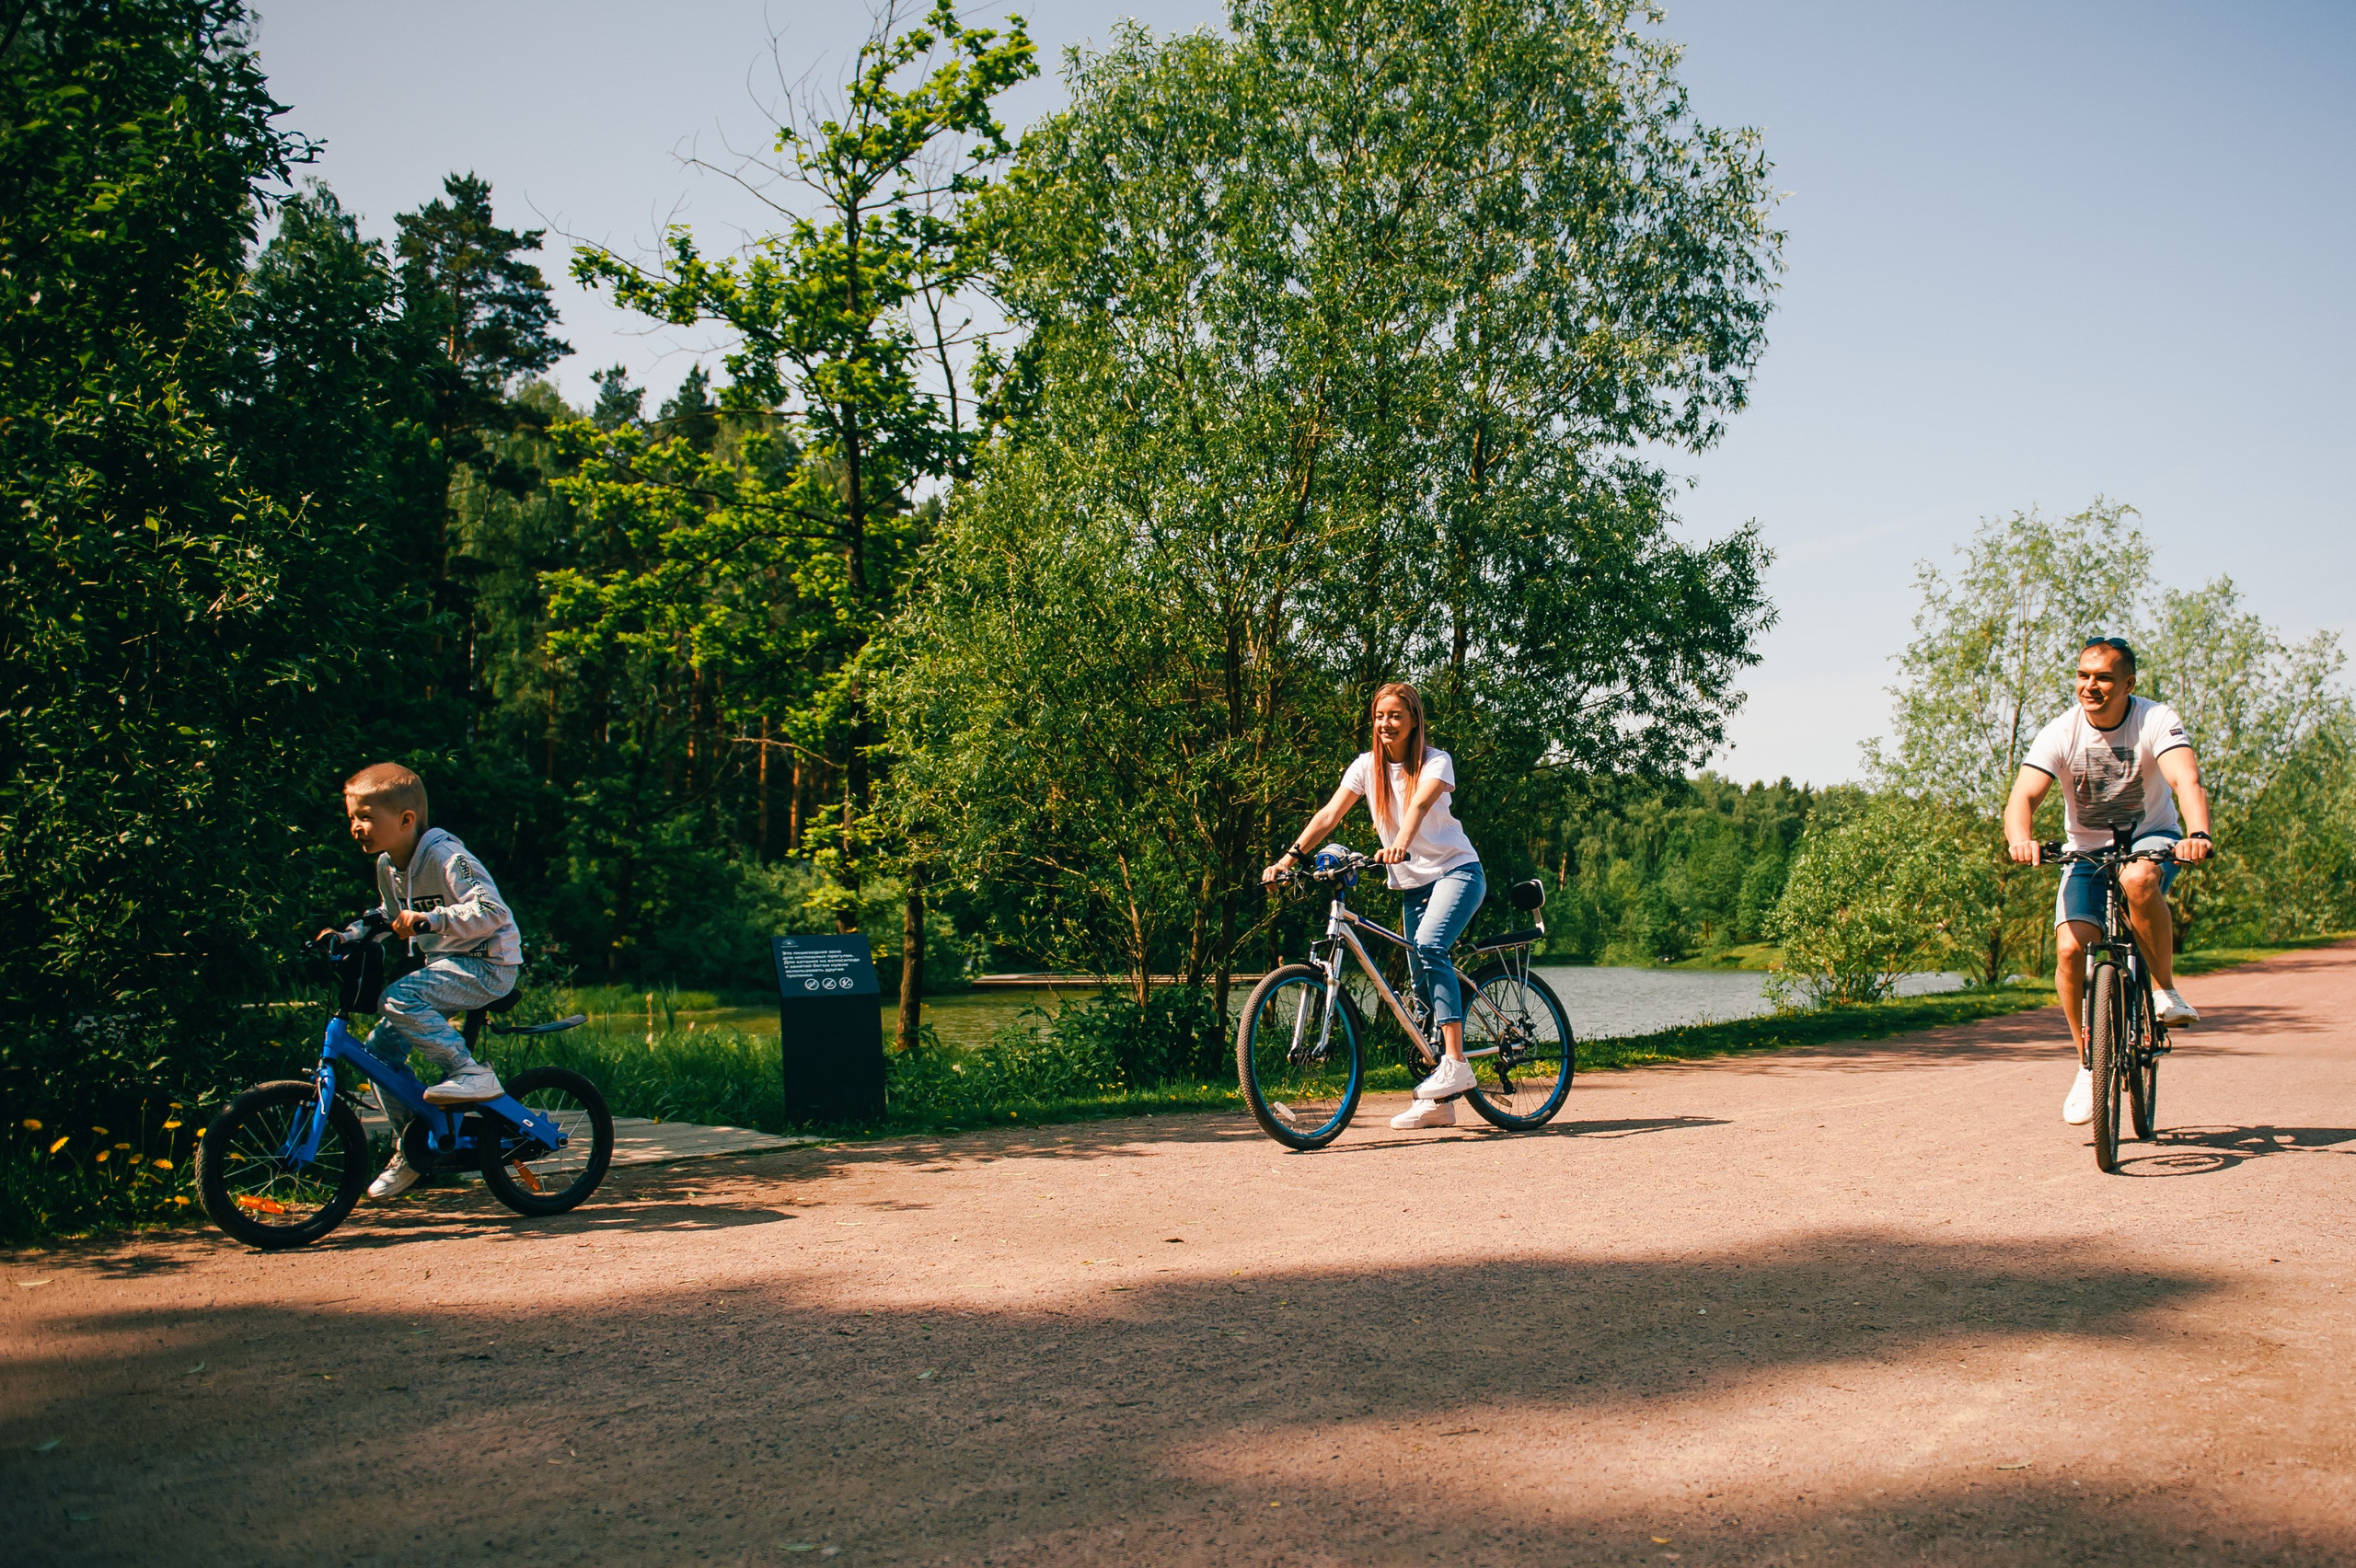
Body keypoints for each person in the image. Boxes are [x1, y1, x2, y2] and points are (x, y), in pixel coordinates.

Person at [2003, 637, 2212, 1126]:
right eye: (2083, 676)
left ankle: (2163, 990)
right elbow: (2023, 798)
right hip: (2085, 851)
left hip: (2152, 839)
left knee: (2140, 880)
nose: (2089, 686)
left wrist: (2197, 833)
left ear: (2128, 685)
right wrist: (2021, 839)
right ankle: (2087, 1062)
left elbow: (2186, 780)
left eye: (2102, 678)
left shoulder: (2155, 720)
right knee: (2072, 951)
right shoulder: (2060, 731)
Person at [1264, 683, 1485, 1131]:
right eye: (1380, 715)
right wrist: (1291, 858)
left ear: (1414, 720)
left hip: (1456, 872)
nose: (1387, 724)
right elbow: (1330, 814)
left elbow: (1420, 803)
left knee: (1428, 946)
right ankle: (1439, 1101)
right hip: (1411, 886)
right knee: (1418, 994)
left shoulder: (1436, 761)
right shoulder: (1366, 768)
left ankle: (1458, 1062)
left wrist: (1401, 841)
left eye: (1396, 715)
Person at [321, 763, 524, 1199]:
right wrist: (347, 935)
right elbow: (386, 917)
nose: (356, 827)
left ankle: (470, 1073)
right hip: (447, 968)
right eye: (352, 818)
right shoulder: (387, 866)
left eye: (366, 817)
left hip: (489, 964)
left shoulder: (448, 857)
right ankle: (413, 1149)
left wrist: (432, 919)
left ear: (406, 820)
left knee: (397, 997)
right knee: (379, 1050)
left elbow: (494, 911)